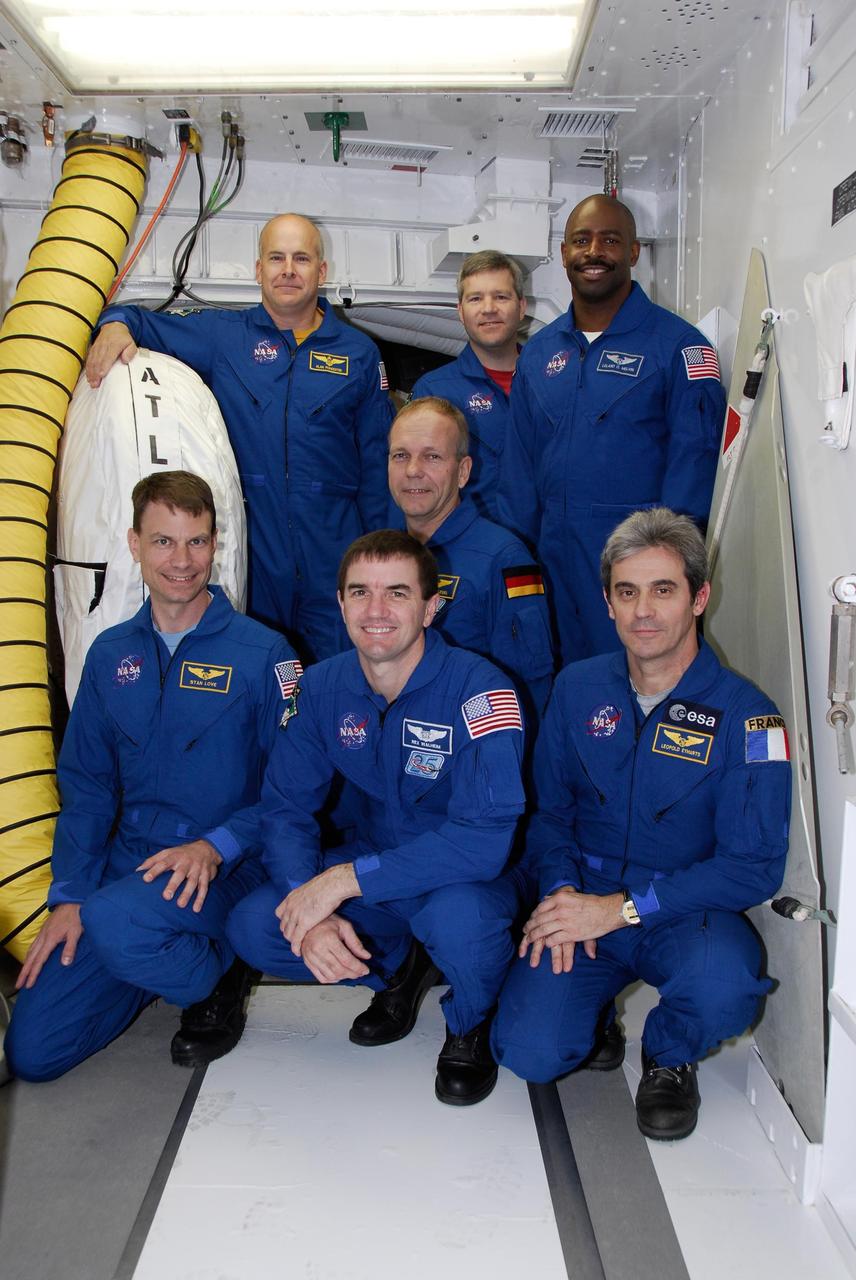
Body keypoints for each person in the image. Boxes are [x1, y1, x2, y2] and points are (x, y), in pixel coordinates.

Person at [491, 509, 791, 1140]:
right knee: (529, 1052)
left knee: (724, 986)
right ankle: (593, 1014)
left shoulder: (750, 718)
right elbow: (551, 814)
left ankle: (670, 1054)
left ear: (699, 597)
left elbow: (752, 866)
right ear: (607, 603)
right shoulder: (577, 689)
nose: (644, 612)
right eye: (627, 593)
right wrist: (563, 894)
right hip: (584, 898)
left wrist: (622, 910)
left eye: (664, 590)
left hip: (684, 909)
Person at [6, 472, 301, 1081]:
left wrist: (215, 846)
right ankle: (148, 961)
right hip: (129, 871)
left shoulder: (266, 655)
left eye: (196, 541)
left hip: (222, 871)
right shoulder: (110, 655)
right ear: (134, 543)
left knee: (116, 921)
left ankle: (219, 963)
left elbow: (294, 793)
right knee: (35, 1052)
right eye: (164, 542)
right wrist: (68, 897)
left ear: (216, 544)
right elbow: (87, 789)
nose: (182, 561)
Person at [226, 530, 527, 1106]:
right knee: (259, 923)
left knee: (460, 925)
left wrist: (340, 882)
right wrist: (306, 904)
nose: (376, 611)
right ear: (339, 604)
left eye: (397, 593)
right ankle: (397, 971)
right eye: (360, 592)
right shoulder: (320, 687)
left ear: (430, 607)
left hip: (466, 877)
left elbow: (485, 844)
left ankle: (470, 1016)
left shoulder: (481, 691)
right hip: (381, 861)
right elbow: (286, 807)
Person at [84, 214, 394, 660]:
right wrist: (114, 324)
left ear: (321, 272)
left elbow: (377, 465)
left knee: (339, 681)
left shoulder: (359, 353)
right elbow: (139, 320)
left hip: (335, 553)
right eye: (276, 258)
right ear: (258, 269)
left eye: (301, 258)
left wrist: (382, 560)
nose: (288, 269)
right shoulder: (225, 336)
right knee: (256, 677)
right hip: (253, 550)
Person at [497, 195, 726, 665]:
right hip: (549, 568)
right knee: (553, 685)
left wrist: (664, 579)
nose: (594, 251)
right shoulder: (538, 355)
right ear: (564, 254)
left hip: (631, 573)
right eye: (581, 240)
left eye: (610, 240)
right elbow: (517, 474)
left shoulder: (679, 349)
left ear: (634, 252)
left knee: (634, 693)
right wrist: (514, 566)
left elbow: (693, 475)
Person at [388, 396, 554, 722]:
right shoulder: (382, 557)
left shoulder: (506, 560)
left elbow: (527, 687)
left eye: (432, 457)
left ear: (463, 471)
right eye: (400, 456)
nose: (412, 471)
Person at [410, 250, 526, 521]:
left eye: (501, 296)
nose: (488, 308)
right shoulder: (434, 392)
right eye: (476, 298)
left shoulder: (551, 382)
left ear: (521, 306)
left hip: (547, 550)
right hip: (469, 552)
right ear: (461, 311)